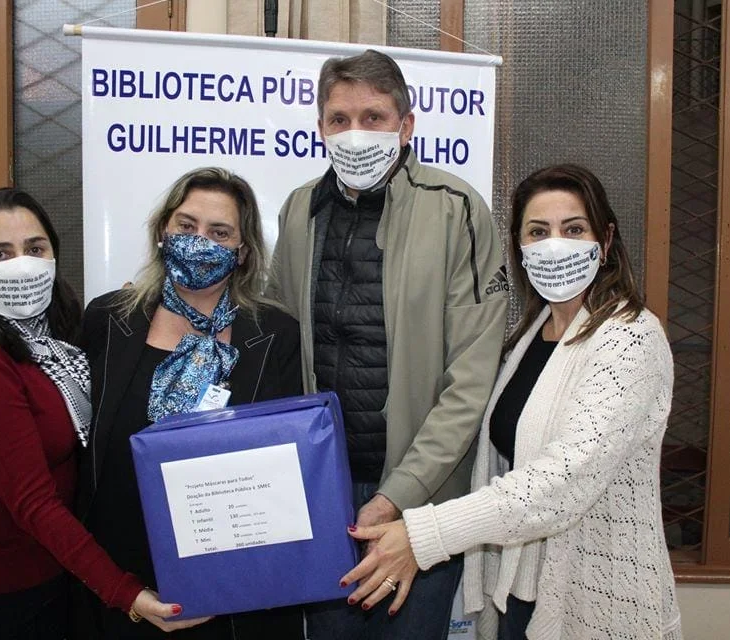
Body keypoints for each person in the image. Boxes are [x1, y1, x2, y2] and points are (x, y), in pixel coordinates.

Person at [341, 164, 683, 640]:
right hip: (521, 596)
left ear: (605, 242)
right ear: (520, 250)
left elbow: (561, 482)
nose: (554, 244)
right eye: (538, 232)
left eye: (574, 229)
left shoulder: (630, 338)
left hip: (595, 605)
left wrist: (425, 536)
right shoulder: (530, 337)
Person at [268, 49, 509, 639]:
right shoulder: (300, 209)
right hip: (318, 492)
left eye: (374, 117)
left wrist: (398, 495)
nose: (355, 134)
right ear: (320, 127)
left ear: (406, 125)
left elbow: (471, 379)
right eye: (339, 118)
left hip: (420, 497)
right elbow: (274, 340)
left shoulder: (458, 211)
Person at [0, 188, 202, 639]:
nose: (22, 264)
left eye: (35, 249)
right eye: (0, 253)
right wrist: (128, 595)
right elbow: (34, 503)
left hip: (45, 581)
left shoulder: (49, 340)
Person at [76, 167, 305, 640]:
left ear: (242, 252)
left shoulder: (275, 337)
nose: (199, 240)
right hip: (122, 586)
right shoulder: (106, 320)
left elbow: (288, 469)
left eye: (219, 232)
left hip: (236, 592)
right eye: (186, 225)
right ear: (163, 231)